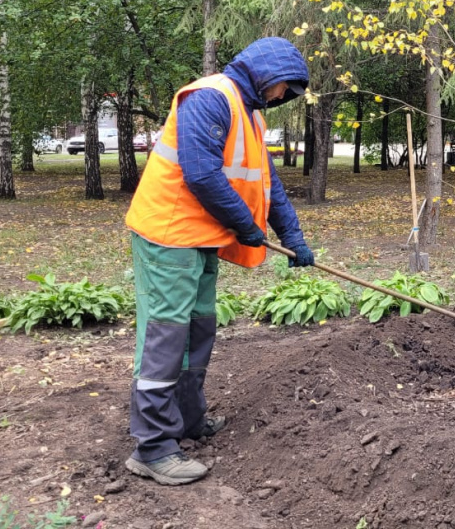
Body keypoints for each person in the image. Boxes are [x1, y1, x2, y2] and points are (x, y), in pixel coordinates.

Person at [123, 37, 317, 485]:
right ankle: (151, 448)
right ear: (266, 75)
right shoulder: (211, 97)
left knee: (198, 330)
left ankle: (187, 420)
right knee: (166, 336)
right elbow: (201, 172)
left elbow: (268, 186)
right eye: (283, 87)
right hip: (169, 236)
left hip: (202, 238)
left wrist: (294, 236)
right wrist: (246, 226)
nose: (282, 97)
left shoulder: (246, 115)